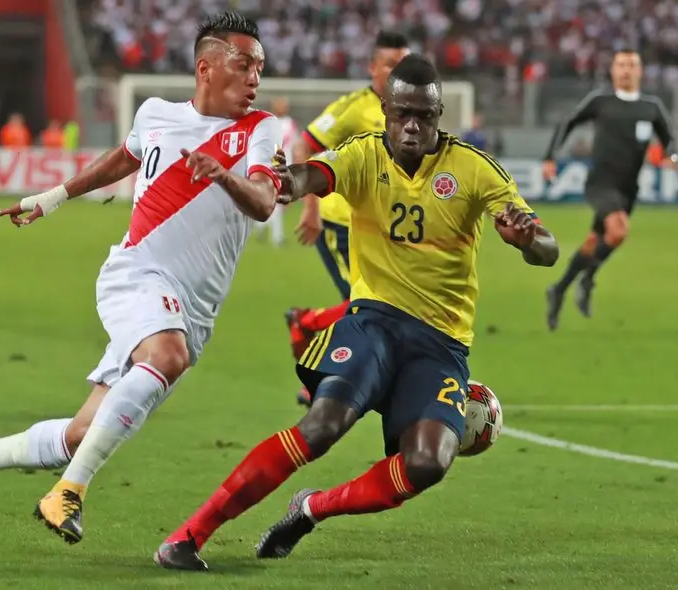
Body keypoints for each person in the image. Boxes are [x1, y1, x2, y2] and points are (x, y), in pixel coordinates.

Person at [155, 54, 559, 572]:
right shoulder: (364, 155)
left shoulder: (473, 169)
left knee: (428, 463)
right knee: (322, 426)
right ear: (385, 109)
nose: (413, 125)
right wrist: (285, 183)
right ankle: (189, 536)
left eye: (426, 116)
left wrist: (528, 240)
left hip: (441, 346)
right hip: (374, 323)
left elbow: (546, 247)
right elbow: (311, 175)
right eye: (402, 113)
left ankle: (311, 508)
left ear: (440, 117)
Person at [0, 12, 283, 546]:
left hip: (193, 308)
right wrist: (54, 198)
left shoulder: (260, 129)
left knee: (83, 434)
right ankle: (67, 493)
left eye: (260, 67)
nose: (255, 78)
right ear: (206, 67)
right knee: (167, 356)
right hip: (137, 275)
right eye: (244, 65)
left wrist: (223, 176)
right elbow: (122, 159)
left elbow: (264, 201)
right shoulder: (156, 114)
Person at [285, 31, 410, 406]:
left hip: (382, 226)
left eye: (403, 64)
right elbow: (304, 144)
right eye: (390, 64)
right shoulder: (354, 107)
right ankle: (310, 335)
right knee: (365, 305)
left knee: (379, 305)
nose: (396, 72)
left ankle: (312, 337)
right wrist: (310, 207)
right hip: (342, 222)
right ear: (373, 67)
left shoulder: (407, 112)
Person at [543, 49, 678, 330]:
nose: (626, 70)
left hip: (629, 188)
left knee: (594, 242)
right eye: (621, 65)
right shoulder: (601, 101)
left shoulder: (650, 107)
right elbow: (567, 122)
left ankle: (559, 289)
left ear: (640, 71)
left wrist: (670, 158)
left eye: (632, 64)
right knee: (618, 232)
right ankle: (589, 278)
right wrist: (550, 156)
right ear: (613, 71)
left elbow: (670, 141)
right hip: (601, 183)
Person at [256, 96, 298, 246]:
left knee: (280, 203)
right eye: (279, 104)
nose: (282, 107)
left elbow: (295, 145)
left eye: (284, 105)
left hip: (287, 167)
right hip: (273, 166)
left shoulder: (290, 124)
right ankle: (277, 237)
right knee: (278, 202)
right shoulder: (269, 122)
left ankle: (261, 226)